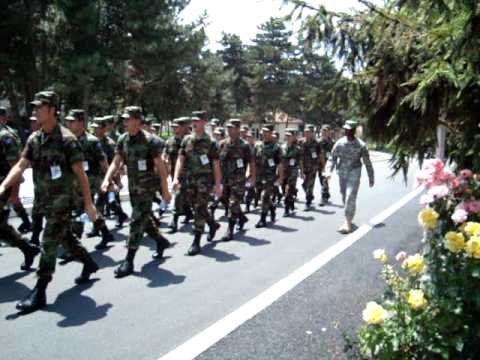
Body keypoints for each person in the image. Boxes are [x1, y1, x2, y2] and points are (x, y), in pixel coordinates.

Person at [0, 91, 99, 313]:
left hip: (63, 201)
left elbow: (80, 173)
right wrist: (4, 185)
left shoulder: (67, 140)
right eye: (34, 107)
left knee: (49, 241)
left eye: (39, 107)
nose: (35, 111)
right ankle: (89, 263)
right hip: (44, 200)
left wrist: (88, 203)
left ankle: (40, 290)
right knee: (66, 238)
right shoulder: (35, 139)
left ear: (52, 110)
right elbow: (20, 165)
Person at [101, 106, 172, 278]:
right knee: (144, 219)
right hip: (133, 187)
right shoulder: (123, 139)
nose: (125, 122)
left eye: (128, 119)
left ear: (138, 120)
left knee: (136, 220)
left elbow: (160, 167)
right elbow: (116, 161)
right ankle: (161, 241)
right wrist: (106, 178)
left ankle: (129, 260)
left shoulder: (150, 141)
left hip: (147, 189)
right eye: (124, 119)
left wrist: (165, 189)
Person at [172, 111, 222, 256]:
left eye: (198, 120)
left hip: (204, 181)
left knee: (200, 208)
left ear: (204, 122)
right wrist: (175, 178)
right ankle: (212, 224)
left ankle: (196, 241)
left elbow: (215, 164)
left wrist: (218, 184)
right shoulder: (186, 140)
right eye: (193, 120)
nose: (194, 123)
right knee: (196, 207)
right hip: (189, 180)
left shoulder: (211, 142)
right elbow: (180, 159)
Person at [65, 110, 115, 250]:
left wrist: (109, 180)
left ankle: (74, 247)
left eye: (72, 121)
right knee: (87, 210)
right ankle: (105, 233)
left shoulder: (92, 141)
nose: (69, 124)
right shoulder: (69, 140)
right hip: (74, 181)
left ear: (81, 123)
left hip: (90, 180)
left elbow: (103, 161)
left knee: (79, 210)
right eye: (68, 121)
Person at [0, 110, 39, 269]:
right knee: (1, 227)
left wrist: (14, 192)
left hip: (4, 184)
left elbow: (16, 166)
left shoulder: (5, 136)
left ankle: (27, 247)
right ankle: (27, 248)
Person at [325, 120, 375, 234]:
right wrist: (328, 172)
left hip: (354, 171)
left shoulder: (361, 145)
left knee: (350, 196)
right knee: (344, 196)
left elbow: (367, 162)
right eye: (346, 130)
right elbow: (332, 158)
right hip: (342, 173)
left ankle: (347, 223)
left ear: (354, 131)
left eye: (350, 130)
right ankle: (349, 216)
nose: (347, 132)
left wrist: (371, 177)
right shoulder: (340, 143)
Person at [218, 119, 255, 241]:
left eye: (232, 127)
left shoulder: (244, 146)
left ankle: (230, 229)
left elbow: (251, 162)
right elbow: (217, 162)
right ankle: (242, 217)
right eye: (228, 127)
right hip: (225, 180)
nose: (229, 130)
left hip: (238, 181)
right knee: (225, 200)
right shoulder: (222, 144)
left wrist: (251, 176)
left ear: (238, 129)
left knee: (233, 204)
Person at [0, 107, 32, 233]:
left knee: (10, 199)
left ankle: (7, 229)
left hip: (6, 174)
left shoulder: (5, 134)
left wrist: (17, 176)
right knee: (12, 199)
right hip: (7, 174)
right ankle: (26, 222)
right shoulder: (8, 131)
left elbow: (13, 157)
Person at [92, 117, 128, 228]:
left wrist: (116, 180)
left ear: (103, 129)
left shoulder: (109, 144)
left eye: (97, 128)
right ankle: (120, 215)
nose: (95, 130)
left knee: (105, 202)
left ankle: (99, 227)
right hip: (95, 176)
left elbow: (114, 163)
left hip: (107, 177)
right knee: (103, 202)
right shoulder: (92, 141)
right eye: (93, 128)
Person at [163, 117, 192, 233]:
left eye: (178, 126)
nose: (175, 129)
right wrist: (164, 159)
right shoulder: (169, 141)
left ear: (184, 127)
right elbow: (164, 154)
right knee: (182, 195)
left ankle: (174, 221)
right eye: (174, 127)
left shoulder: (191, 141)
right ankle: (189, 213)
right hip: (175, 174)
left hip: (189, 174)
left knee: (180, 194)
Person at [254, 124, 284, 228]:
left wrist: (280, 177)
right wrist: (250, 174)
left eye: (266, 132)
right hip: (259, 176)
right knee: (263, 196)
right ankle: (271, 208)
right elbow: (253, 161)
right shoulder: (257, 145)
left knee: (264, 196)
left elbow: (280, 164)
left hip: (270, 176)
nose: (264, 134)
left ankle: (262, 219)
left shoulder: (276, 147)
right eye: (263, 131)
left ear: (271, 133)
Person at [299, 124, 324, 210]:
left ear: (312, 133)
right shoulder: (301, 142)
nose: (306, 133)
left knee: (310, 183)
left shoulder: (316, 143)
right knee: (305, 184)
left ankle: (308, 202)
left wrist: (323, 166)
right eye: (305, 132)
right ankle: (310, 195)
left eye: (308, 132)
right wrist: (300, 169)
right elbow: (299, 156)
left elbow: (320, 155)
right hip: (304, 166)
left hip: (313, 167)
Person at [281, 129, 303, 217]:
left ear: (293, 137)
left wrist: (302, 172)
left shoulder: (297, 149)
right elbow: (279, 161)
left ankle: (286, 209)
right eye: (286, 135)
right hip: (284, 171)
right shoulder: (282, 147)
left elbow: (300, 161)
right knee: (284, 189)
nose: (287, 137)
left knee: (288, 189)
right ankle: (291, 201)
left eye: (289, 136)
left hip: (293, 172)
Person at [318, 124, 334, 206]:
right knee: (322, 180)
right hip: (318, 164)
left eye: (326, 131)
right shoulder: (318, 142)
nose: (324, 132)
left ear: (329, 132)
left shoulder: (332, 143)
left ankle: (323, 197)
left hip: (328, 164)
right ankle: (327, 193)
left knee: (324, 179)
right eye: (323, 130)